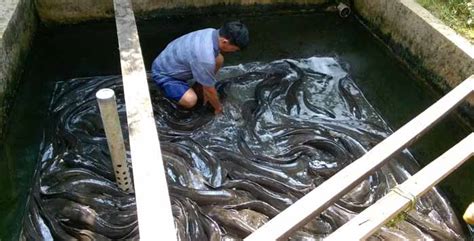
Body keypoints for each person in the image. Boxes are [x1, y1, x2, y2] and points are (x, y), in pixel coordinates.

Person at [151, 21, 249, 114]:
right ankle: (167, 91)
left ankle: (199, 85)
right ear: (225, 42)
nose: (233, 52)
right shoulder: (205, 57)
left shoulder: (211, 32)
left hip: (170, 61)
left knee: (219, 59)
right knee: (190, 100)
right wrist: (218, 108)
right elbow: (210, 90)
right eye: (234, 49)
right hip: (164, 74)